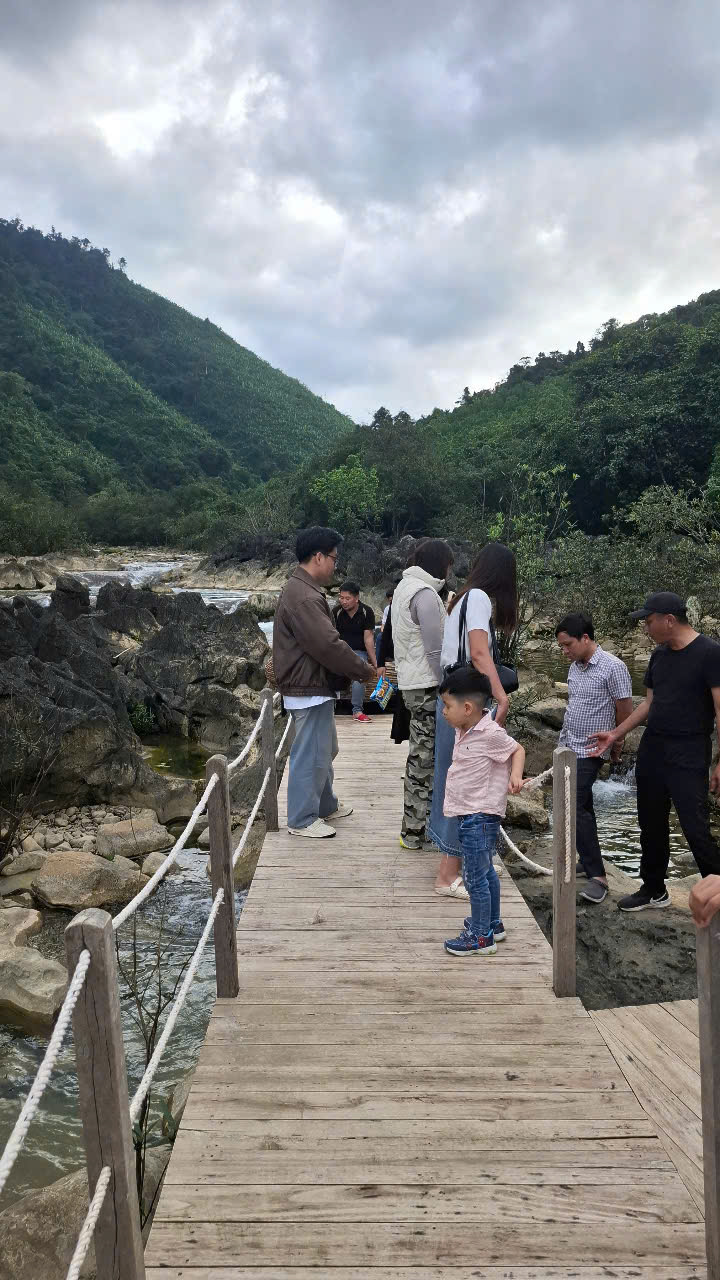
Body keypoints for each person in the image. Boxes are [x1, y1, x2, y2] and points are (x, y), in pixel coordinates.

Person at [590, 592, 720, 910]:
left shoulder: (710, 653)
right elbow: (649, 703)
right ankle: (653, 889)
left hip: (689, 750)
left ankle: (717, 891)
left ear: (669, 620)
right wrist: (616, 734)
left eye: (649, 621)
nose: (646, 628)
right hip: (654, 747)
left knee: (695, 826)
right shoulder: (659, 655)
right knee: (650, 821)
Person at [273, 527, 375, 838]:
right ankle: (302, 819)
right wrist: (364, 671)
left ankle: (324, 804)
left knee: (325, 749)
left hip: (313, 686)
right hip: (308, 687)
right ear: (318, 557)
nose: (335, 565)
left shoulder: (303, 590)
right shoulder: (304, 596)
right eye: (333, 558)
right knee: (311, 754)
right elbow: (328, 646)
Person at [429, 543, 517, 898]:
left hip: (453, 699)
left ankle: (463, 860)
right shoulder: (479, 598)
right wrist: (501, 697)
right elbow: (479, 652)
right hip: (467, 705)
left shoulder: (461, 599)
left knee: (456, 781)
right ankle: (447, 875)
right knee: (466, 788)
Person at [439, 666, 525, 956]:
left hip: (480, 815)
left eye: (447, 706)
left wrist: (515, 775)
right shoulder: (464, 729)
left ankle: (479, 937)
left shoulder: (489, 733)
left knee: (474, 877)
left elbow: (517, 750)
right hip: (470, 814)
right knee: (485, 871)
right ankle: (492, 923)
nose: (444, 712)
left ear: (467, 708)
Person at [555, 612, 634, 904]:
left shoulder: (613, 667)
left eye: (568, 644)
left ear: (585, 638)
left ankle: (598, 877)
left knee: (575, 804)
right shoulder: (575, 667)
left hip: (592, 750)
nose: (565, 651)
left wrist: (617, 743)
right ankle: (588, 860)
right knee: (582, 804)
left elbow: (625, 710)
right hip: (568, 746)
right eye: (561, 646)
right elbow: (575, 704)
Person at [391, 539, 454, 849]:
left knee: (420, 753)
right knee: (424, 759)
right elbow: (434, 649)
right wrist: (447, 686)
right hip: (426, 685)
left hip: (409, 683)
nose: (449, 571)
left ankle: (418, 827)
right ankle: (415, 832)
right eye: (449, 565)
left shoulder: (404, 588)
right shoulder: (425, 594)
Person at [332, 581, 377, 723]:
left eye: (347, 598)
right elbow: (331, 636)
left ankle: (357, 711)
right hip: (339, 651)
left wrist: (375, 662)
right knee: (329, 671)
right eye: (341, 598)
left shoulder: (366, 612)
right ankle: (330, 708)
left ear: (356, 598)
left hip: (359, 652)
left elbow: (368, 638)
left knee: (359, 672)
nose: (343, 601)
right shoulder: (336, 612)